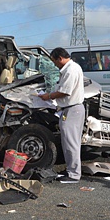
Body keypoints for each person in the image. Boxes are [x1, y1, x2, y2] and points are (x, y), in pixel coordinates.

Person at [39, 47, 85, 184]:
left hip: (72, 109)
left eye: (54, 61)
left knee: (71, 142)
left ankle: (74, 175)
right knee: (69, 142)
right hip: (71, 109)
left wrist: (49, 96)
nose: (54, 64)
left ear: (60, 58)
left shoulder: (71, 70)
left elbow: (65, 91)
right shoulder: (70, 68)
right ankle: (71, 169)